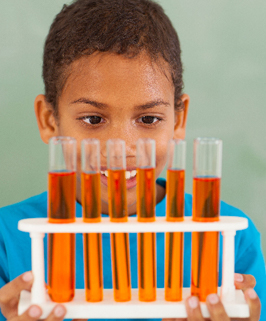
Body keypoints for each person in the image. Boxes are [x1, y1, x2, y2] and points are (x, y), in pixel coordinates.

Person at [0, 0, 264, 320]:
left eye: (149, 119)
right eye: (93, 119)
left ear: (179, 120)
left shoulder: (231, 243)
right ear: (49, 120)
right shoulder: (6, 240)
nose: (122, 148)